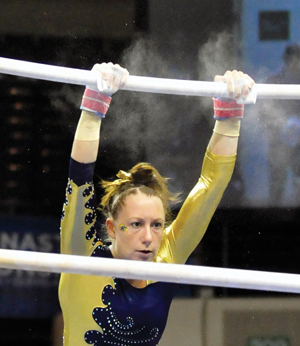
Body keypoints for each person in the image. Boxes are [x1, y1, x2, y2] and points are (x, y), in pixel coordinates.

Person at [59, 62, 254, 346]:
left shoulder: (166, 262)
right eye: (136, 225)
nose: (149, 238)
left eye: (157, 225)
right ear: (112, 228)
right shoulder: (82, 258)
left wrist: (230, 115)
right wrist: (95, 101)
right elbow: (79, 178)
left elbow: (211, 187)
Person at [262, 44, 300, 205]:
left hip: (299, 146)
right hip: (278, 143)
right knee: (276, 188)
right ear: (287, 60)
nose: (296, 63)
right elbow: (263, 115)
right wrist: (282, 125)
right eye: (293, 60)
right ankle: (273, 225)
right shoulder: (273, 82)